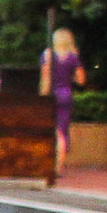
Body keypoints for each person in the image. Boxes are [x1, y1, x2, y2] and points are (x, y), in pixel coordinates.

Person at [41, 28, 85, 173]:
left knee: (50, 130)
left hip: (52, 95)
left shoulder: (48, 55)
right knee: (62, 132)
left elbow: (46, 78)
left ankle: (48, 162)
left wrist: (43, 95)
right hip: (66, 94)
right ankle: (58, 167)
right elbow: (81, 80)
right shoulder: (73, 57)